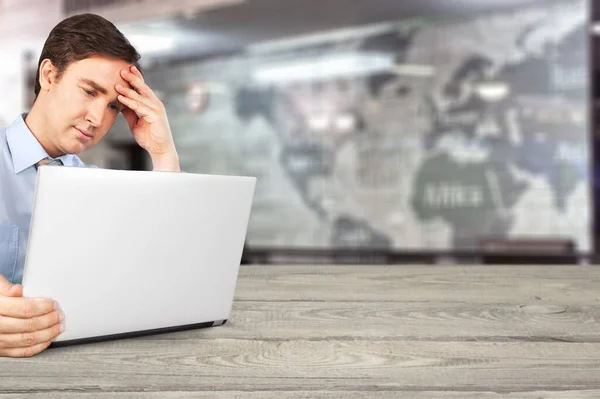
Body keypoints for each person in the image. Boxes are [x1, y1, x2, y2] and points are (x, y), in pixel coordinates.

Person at [0, 13, 181, 357]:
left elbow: (156, 269)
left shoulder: (96, 186)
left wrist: (164, 154)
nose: (98, 119)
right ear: (49, 75)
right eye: (89, 92)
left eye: (113, 105)